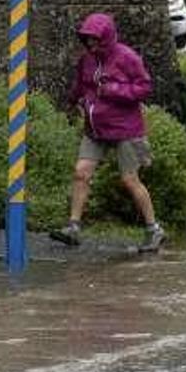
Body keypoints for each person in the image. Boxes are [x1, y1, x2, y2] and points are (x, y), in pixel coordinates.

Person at [50, 13, 166, 253]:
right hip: (95, 129)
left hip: (125, 129)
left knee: (129, 180)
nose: (91, 44)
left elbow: (144, 87)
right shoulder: (86, 60)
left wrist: (114, 89)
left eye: (95, 39)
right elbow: (81, 86)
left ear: (106, 37)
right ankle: (73, 227)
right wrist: (70, 103)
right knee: (81, 173)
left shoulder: (127, 58)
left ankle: (154, 229)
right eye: (87, 39)